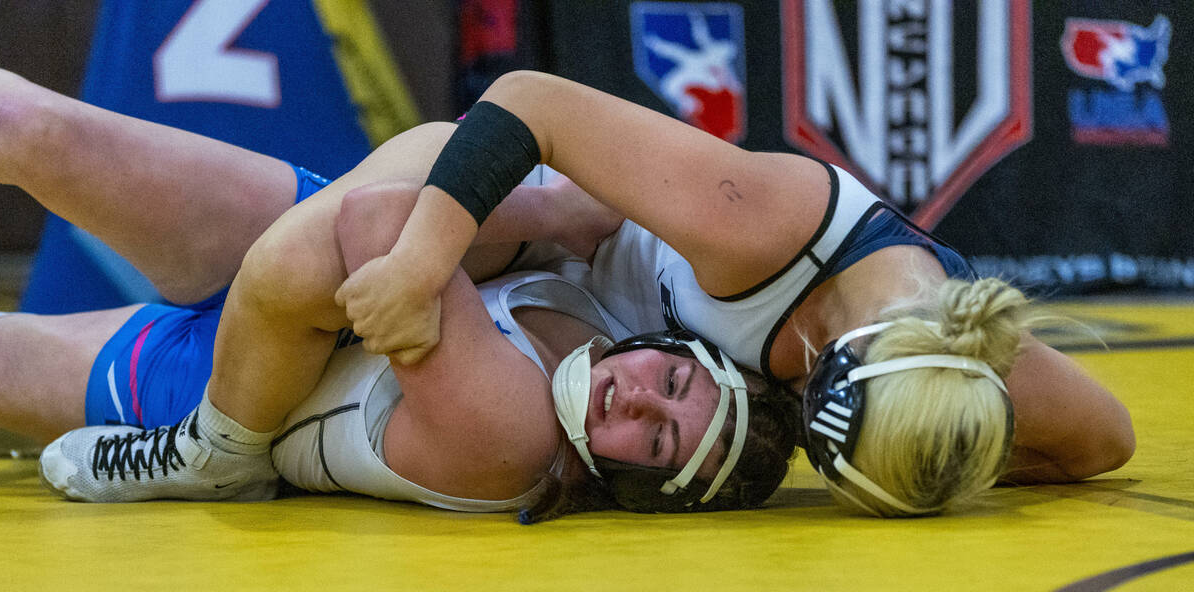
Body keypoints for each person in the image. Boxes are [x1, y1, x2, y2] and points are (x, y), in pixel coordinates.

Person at [0, 68, 798, 521]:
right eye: (674, 384)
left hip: (217, 378)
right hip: (303, 252)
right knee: (22, 124)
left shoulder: (513, 440)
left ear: (634, 489)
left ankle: (215, 451)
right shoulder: (624, 323)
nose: (636, 402)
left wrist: (552, 211)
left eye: (655, 443)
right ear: (680, 352)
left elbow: (378, 218)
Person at [331, 70, 1136, 517]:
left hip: (582, 339)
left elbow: (1106, 443)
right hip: (547, 225)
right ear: (833, 374)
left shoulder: (951, 355)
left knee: (501, 456)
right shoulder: (762, 231)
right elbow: (528, 104)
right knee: (297, 253)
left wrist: (934, 464)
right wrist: (416, 267)